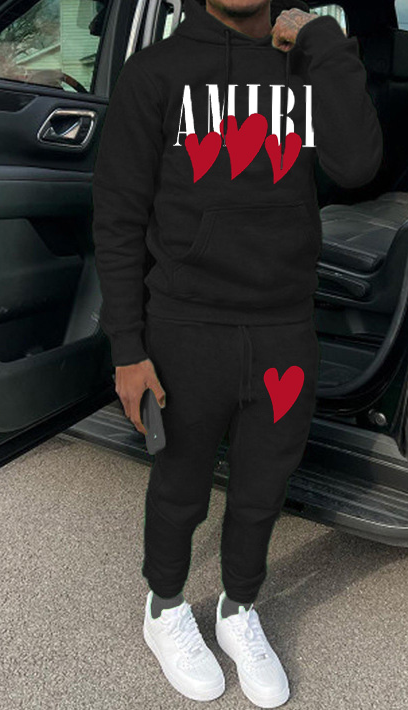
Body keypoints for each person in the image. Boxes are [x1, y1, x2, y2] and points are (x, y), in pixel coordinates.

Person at [91, 0, 382, 705]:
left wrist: (320, 39)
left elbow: (358, 166)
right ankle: (164, 609)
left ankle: (237, 609)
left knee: (262, 489)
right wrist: (128, 348)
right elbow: (119, 219)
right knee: (180, 485)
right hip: (186, 327)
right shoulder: (154, 73)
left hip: (285, 329)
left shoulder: (305, 69)